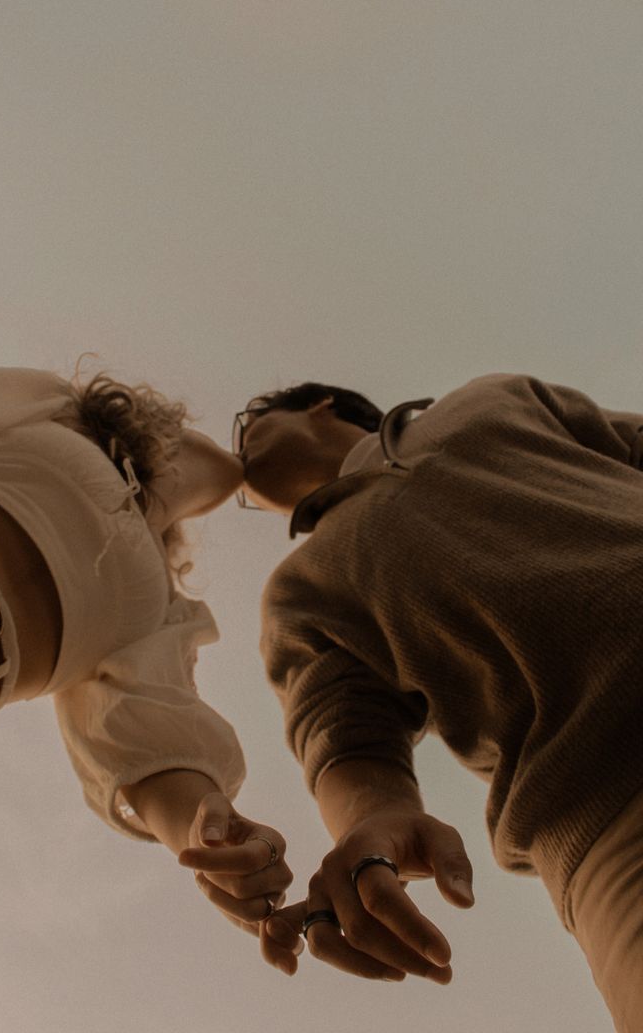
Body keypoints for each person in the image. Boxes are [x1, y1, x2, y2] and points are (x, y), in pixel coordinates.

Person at [209, 374, 641, 1029]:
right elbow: (344, 738)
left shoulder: (493, 398)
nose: (237, 462)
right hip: (609, 816)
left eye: (250, 428)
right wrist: (373, 819)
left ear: (320, 406)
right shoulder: (300, 593)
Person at [0, 360, 294, 950]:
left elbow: (150, 747)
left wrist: (211, 833)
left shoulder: (160, 610)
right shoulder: (50, 409)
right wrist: (242, 467)